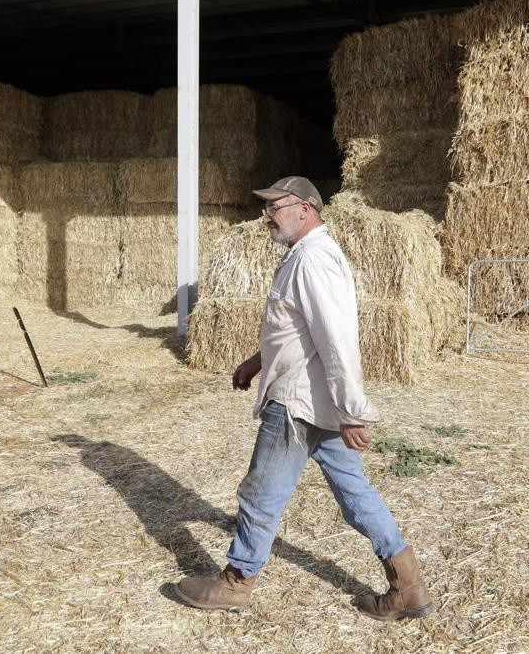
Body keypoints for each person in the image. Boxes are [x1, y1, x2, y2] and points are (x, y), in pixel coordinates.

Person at [175, 176, 433, 621]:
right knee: (356, 496)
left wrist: (352, 411)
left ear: (306, 210)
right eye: (268, 207)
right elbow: (300, 330)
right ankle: (408, 587)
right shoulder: (303, 257)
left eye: (276, 207)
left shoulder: (312, 261)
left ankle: (236, 584)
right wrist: (257, 361)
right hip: (318, 403)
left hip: (299, 405)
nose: (267, 215)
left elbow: (337, 339)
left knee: (259, 496)